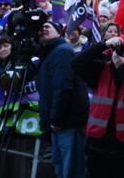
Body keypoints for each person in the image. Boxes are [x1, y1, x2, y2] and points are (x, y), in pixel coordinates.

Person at [72, 34, 124, 178]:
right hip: (98, 145)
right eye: (121, 49)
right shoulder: (101, 70)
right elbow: (77, 63)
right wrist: (104, 44)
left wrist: (122, 66)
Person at [36, 21, 89, 178]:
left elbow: (63, 86)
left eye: (48, 26)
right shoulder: (48, 54)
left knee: (70, 169)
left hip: (67, 122)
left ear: (59, 32)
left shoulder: (61, 51)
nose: (43, 28)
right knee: (61, 168)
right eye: (41, 27)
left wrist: (56, 119)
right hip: (59, 123)